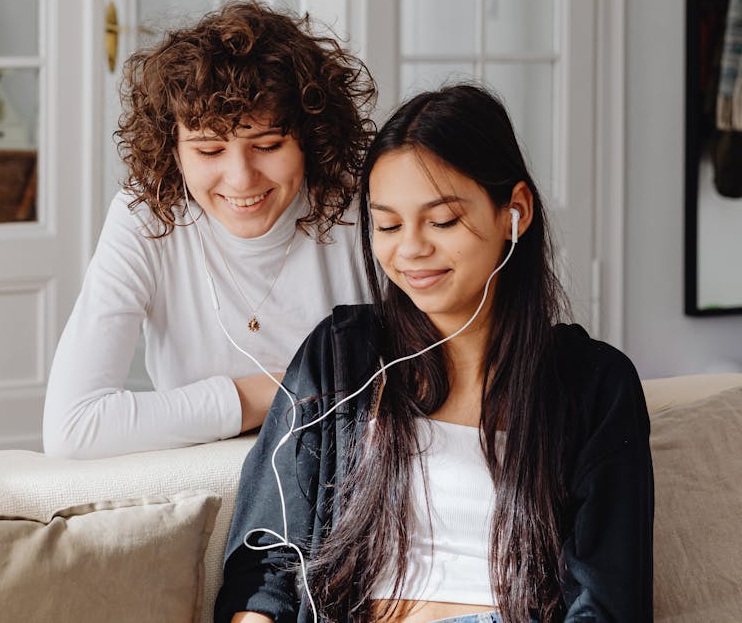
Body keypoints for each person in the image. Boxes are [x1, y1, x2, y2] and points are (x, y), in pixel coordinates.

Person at [216, 84, 653, 623]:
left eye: (442, 221)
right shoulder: (340, 357)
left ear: (514, 211)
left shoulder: (594, 383)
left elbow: (606, 603)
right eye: (389, 225)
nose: (411, 249)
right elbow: (267, 563)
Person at [42, 0, 376, 459]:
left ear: (310, 140)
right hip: (202, 489)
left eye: (268, 144)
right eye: (209, 151)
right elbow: (72, 428)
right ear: (173, 149)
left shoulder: (362, 208)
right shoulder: (147, 217)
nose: (241, 179)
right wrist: (294, 387)